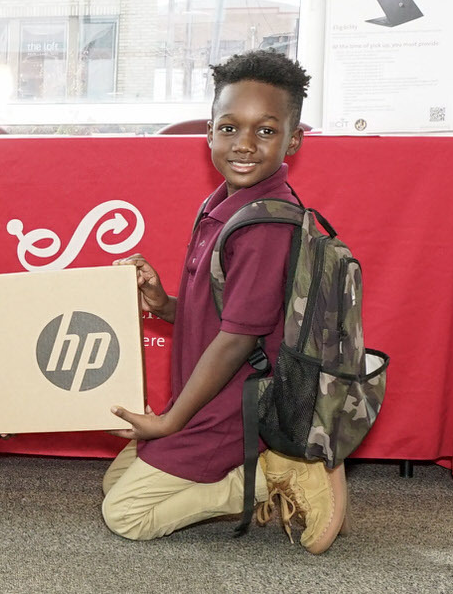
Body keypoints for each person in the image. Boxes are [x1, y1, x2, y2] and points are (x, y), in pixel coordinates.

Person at [102, 50, 348, 553]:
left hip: (236, 405)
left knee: (124, 513)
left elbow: (237, 340)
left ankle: (270, 476)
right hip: (206, 393)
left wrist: (171, 421)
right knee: (113, 484)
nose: (244, 145)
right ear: (209, 131)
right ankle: (246, 469)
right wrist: (165, 303)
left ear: (293, 139)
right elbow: (223, 313)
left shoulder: (264, 226)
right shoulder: (224, 203)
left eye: (266, 131)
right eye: (230, 127)